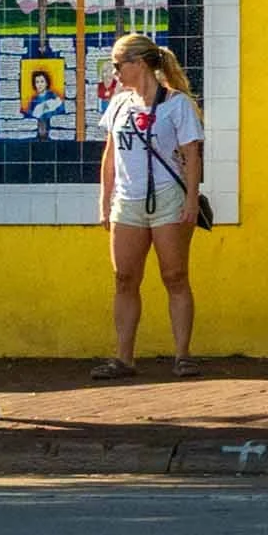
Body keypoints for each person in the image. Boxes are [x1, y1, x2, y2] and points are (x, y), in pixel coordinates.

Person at [91, 33, 205, 379]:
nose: (114, 72)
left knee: (175, 276)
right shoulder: (120, 103)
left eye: (117, 65)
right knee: (124, 278)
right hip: (128, 200)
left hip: (168, 197)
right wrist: (104, 201)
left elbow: (191, 155)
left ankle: (182, 355)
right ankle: (124, 358)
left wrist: (190, 200)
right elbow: (110, 156)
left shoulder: (177, 104)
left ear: (138, 64)